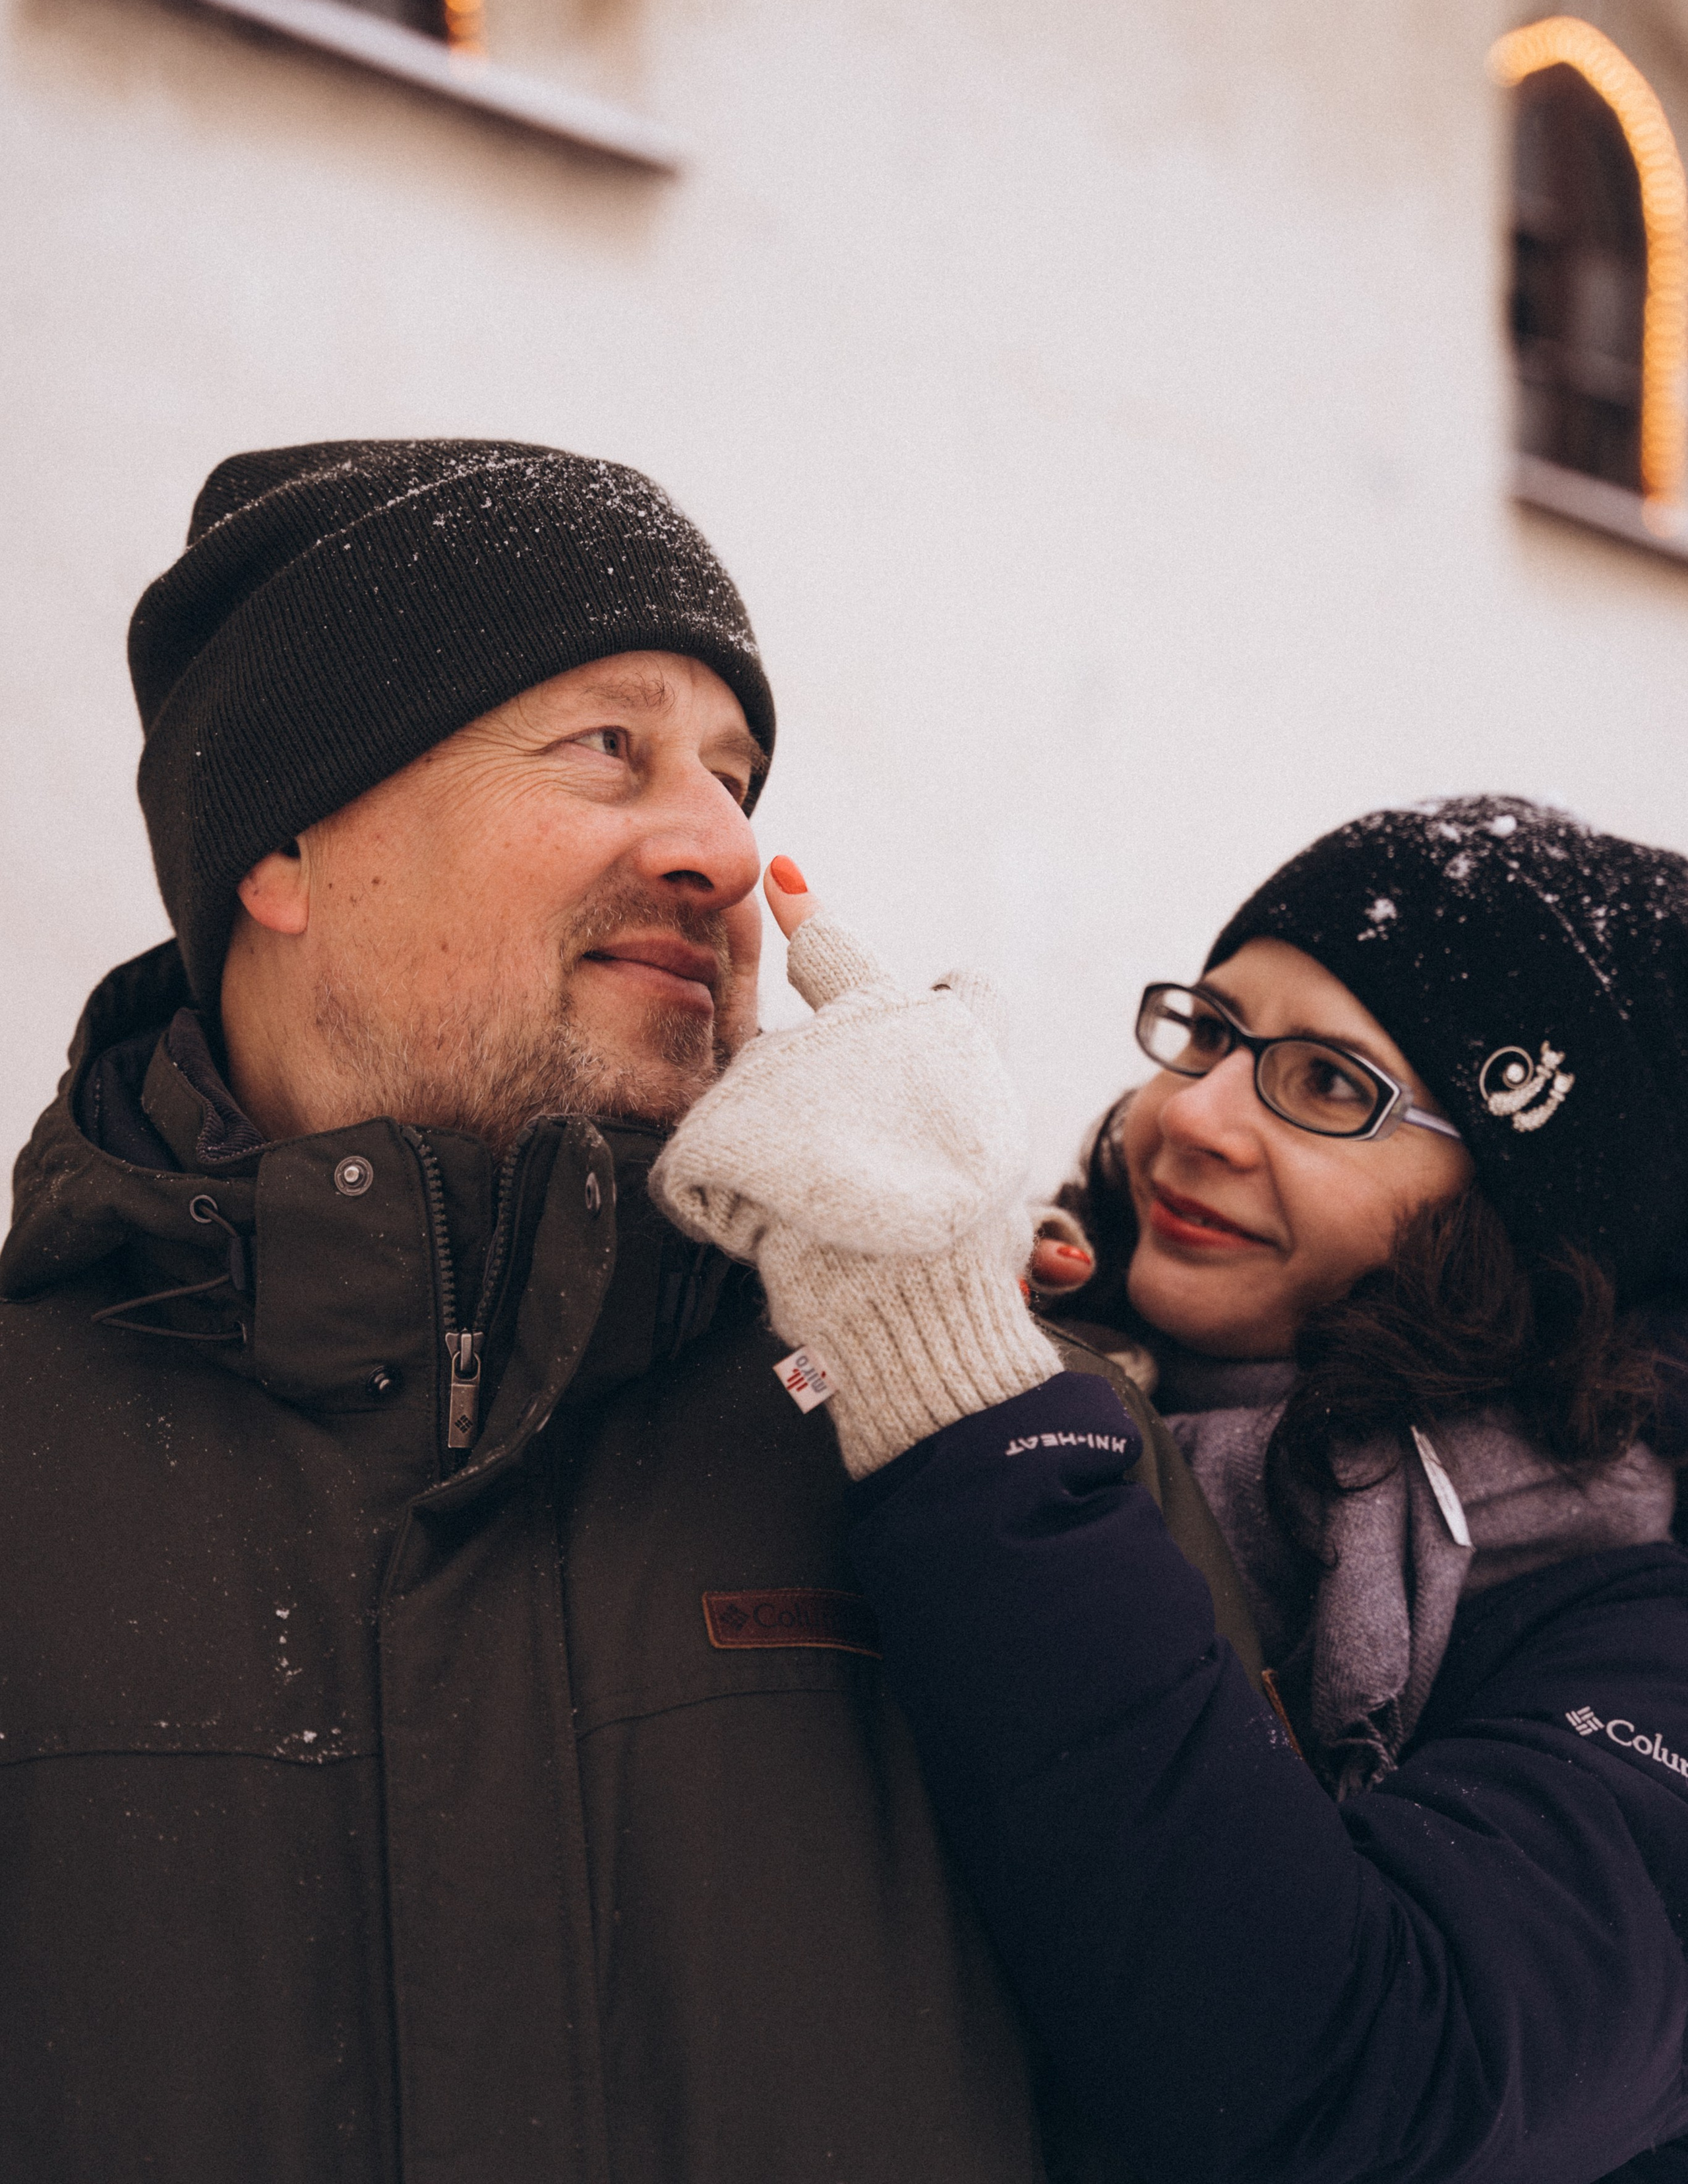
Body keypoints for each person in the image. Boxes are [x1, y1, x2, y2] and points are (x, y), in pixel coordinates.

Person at [0, 436, 1255, 2184]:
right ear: (280, 849)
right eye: (614, 749)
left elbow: (1257, 2081)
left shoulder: (975, 1454)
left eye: (737, 777)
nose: (726, 851)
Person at [657, 798, 1688, 2184]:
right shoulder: (1002, 1378)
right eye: (1207, 1033)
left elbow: (1352, 2087)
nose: (1192, 1115)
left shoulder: (1632, 1640)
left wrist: (971, 1407)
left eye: (1329, 1086)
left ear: (1525, 1212)